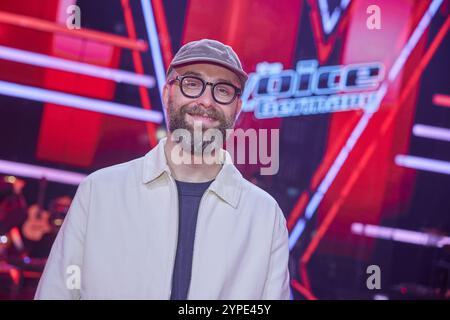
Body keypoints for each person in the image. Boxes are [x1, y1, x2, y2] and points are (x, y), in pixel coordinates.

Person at [35, 39, 290, 300]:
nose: (206, 100)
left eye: (223, 90)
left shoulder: (264, 217)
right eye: (192, 83)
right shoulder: (99, 192)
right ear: (168, 91)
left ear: (237, 107)